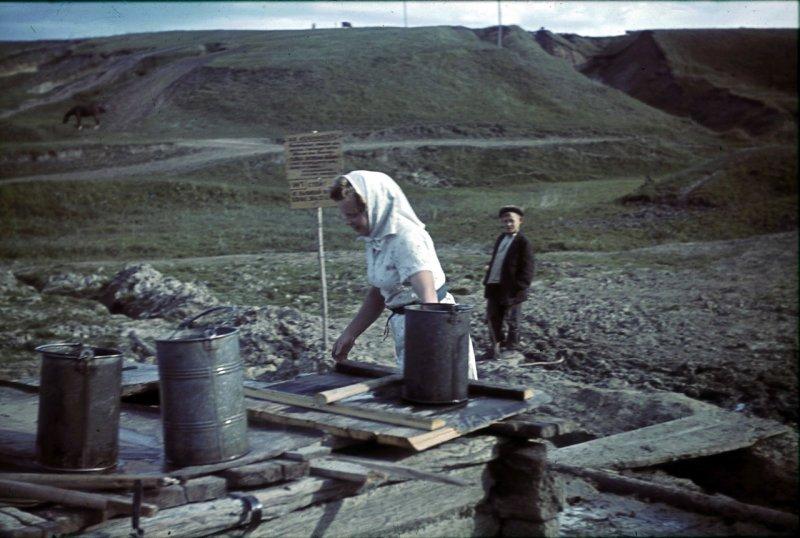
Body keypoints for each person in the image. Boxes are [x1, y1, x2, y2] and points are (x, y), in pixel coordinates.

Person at [330, 170, 477, 379]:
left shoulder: (406, 238)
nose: (348, 221)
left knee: (438, 390)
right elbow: (382, 291)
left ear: (375, 207)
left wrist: (432, 347)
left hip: (433, 326)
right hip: (409, 326)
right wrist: (350, 333)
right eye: (345, 215)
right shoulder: (378, 238)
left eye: (353, 214)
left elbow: (427, 293)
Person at [483, 205, 534, 359]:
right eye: (505, 221)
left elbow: (528, 267)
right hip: (494, 285)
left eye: (511, 221)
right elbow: (496, 260)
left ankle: (512, 348)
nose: (508, 224)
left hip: (512, 289)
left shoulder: (523, 242)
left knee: (513, 319)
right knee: (493, 317)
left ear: (520, 221)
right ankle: (496, 347)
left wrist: (520, 286)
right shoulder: (500, 239)